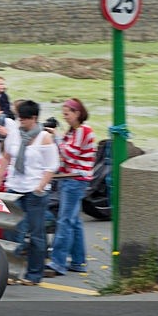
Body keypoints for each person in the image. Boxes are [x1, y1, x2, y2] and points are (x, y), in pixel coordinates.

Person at [0, 100, 59, 285]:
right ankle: (11, 272)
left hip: (35, 190)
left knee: (36, 233)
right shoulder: (14, 134)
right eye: (19, 118)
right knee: (11, 232)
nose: (21, 122)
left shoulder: (44, 137)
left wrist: (41, 186)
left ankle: (34, 275)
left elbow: (52, 166)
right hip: (15, 188)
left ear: (34, 118)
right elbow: (6, 156)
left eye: (25, 119)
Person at [45, 98, 96, 276]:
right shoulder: (74, 131)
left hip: (75, 180)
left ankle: (58, 263)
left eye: (67, 114)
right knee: (74, 222)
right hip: (73, 179)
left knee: (64, 221)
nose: (65, 117)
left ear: (77, 113)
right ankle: (78, 261)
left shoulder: (82, 131)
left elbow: (69, 154)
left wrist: (56, 137)